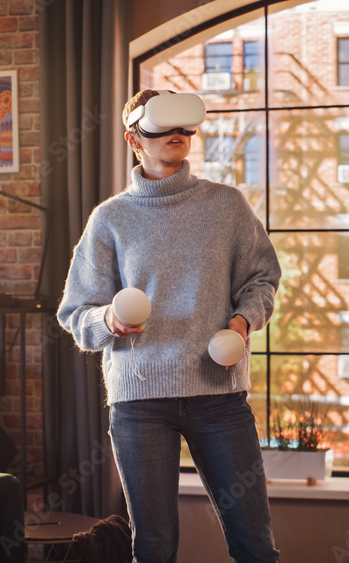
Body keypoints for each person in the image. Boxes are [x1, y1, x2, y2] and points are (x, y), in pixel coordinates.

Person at [57, 89, 282, 563]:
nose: (177, 135)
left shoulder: (226, 206)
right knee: (154, 548)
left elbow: (263, 277)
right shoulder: (110, 219)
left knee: (255, 544)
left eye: (185, 126)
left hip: (219, 396)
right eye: (163, 126)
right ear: (133, 138)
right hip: (140, 402)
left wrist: (242, 323)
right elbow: (76, 313)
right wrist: (109, 320)